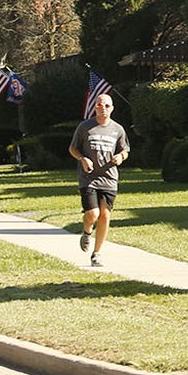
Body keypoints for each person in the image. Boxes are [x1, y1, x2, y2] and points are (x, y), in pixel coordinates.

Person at [68, 92, 130, 267]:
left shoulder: (118, 129)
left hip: (109, 178)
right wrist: (83, 159)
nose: (103, 108)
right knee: (93, 214)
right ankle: (87, 232)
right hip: (88, 177)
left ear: (112, 108)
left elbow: (125, 150)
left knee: (105, 215)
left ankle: (97, 253)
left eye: (107, 106)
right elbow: (73, 148)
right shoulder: (85, 127)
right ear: (95, 107)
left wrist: (121, 157)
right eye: (100, 105)